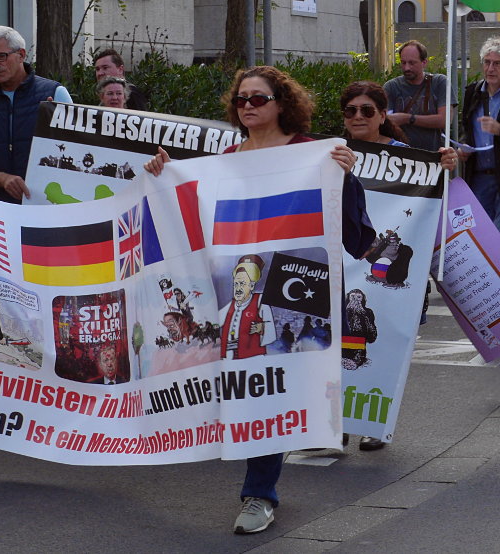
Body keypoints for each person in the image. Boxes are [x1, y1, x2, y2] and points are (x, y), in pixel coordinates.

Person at [145, 65, 376, 535]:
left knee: (269, 391)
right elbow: (189, 216)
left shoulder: (315, 155)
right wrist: (162, 175)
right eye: (241, 99)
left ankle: (259, 494)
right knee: (245, 390)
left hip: (294, 296)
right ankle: (260, 483)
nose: (247, 106)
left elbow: (357, 240)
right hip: (233, 291)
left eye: (258, 98)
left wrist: (345, 179)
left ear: (281, 104)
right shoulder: (225, 159)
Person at [341, 80, 457, 451]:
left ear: (382, 115)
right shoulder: (333, 152)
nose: (358, 117)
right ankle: (339, 420)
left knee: (388, 341)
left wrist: (446, 166)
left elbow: (435, 192)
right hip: (344, 264)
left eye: (367, 111)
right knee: (341, 343)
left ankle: (376, 422)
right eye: (350, 111)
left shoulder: (406, 156)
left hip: (386, 269)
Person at [0, 26, 73, 204]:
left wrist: (52, 129)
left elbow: (76, 155)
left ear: (22, 55)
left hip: (46, 205)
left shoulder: (56, 94)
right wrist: (4, 179)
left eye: (1, 56)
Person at [384, 40, 456, 152]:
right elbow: (383, 121)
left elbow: (444, 120)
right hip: (400, 156)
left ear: (424, 62)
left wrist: (407, 118)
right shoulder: (391, 87)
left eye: (412, 63)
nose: (407, 68)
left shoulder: (439, 83)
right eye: (403, 63)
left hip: (433, 155)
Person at [459, 36, 500, 229]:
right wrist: (463, 147)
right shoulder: (473, 92)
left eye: (497, 64)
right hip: (479, 175)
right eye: (487, 62)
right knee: (482, 231)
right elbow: (466, 128)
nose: (491, 69)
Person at [220, 255, 276, 360]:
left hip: (253, 358)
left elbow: (271, 328)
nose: (238, 288)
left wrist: (262, 328)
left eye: (242, 284)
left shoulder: (260, 301)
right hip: (229, 356)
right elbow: (216, 320)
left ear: (251, 286)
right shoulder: (230, 305)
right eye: (236, 284)